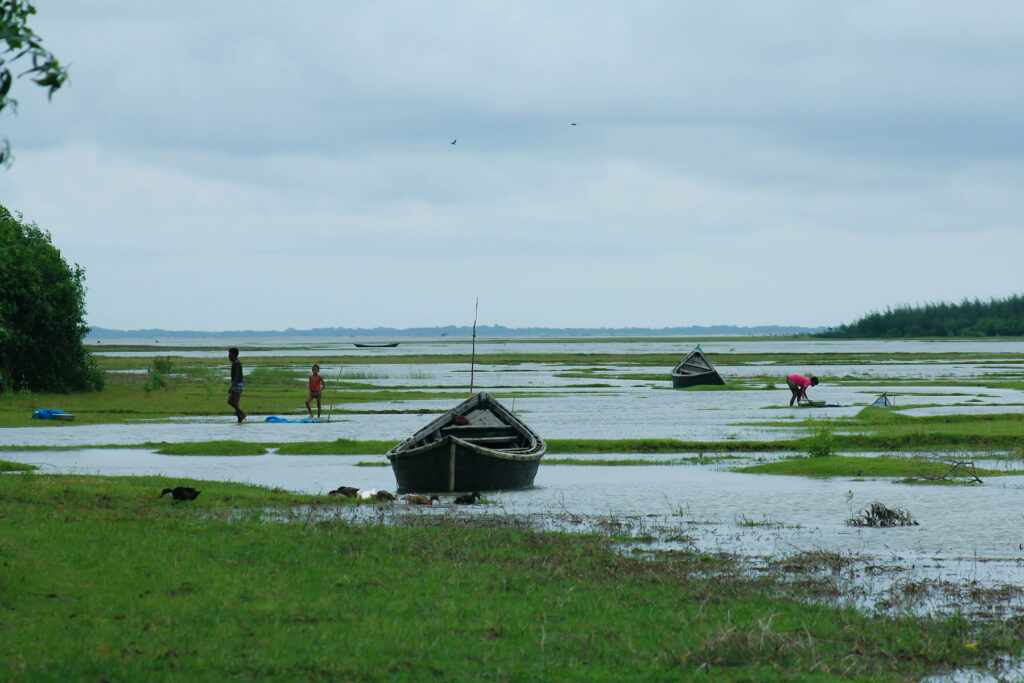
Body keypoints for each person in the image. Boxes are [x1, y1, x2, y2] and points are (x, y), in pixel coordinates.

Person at [227, 347, 247, 423]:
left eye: (230, 354)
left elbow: (238, 376)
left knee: (231, 402)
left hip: (237, 384)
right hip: (237, 384)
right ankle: (239, 419)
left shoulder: (237, 363)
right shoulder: (235, 363)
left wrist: (232, 386)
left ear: (234, 354)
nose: (228, 356)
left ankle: (242, 414)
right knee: (235, 403)